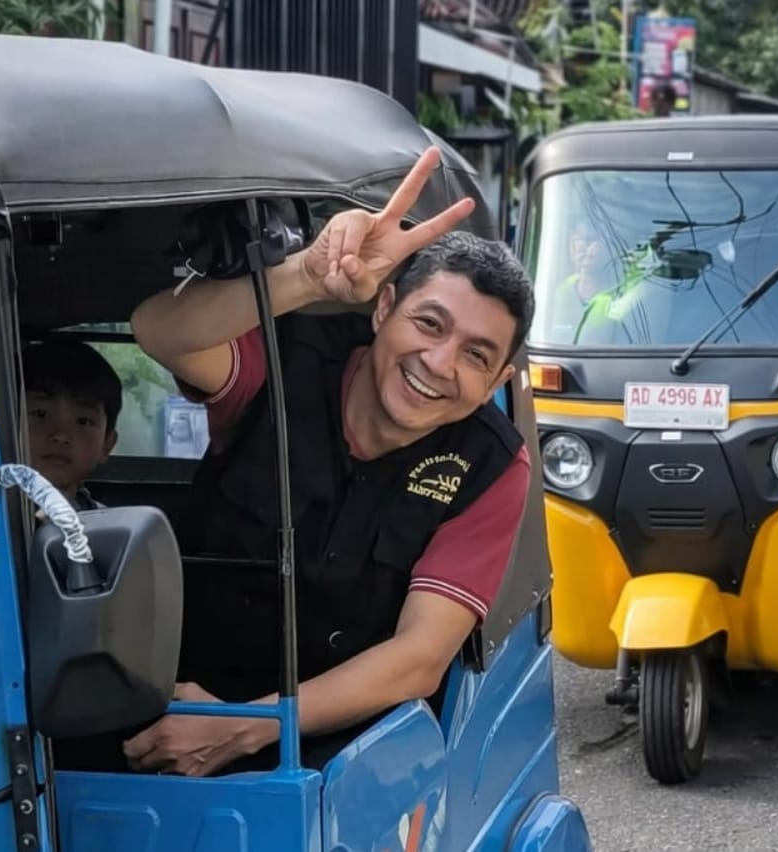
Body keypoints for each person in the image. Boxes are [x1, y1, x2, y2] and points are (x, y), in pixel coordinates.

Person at [118, 147, 533, 776]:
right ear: (384, 308)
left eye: (477, 356)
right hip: (171, 710)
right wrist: (310, 275)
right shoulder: (284, 364)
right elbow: (160, 331)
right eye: (429, 323)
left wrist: (250, 727)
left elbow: (420, 657)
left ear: (499, 377)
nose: (440, 364)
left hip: (344, 757)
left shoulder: (493, 465)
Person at [22, 339, 121, 510]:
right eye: (40, 414)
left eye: (83, 421)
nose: (60, 436)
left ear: (107, 445)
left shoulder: (107, 526)